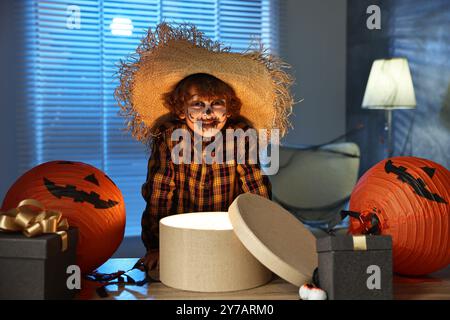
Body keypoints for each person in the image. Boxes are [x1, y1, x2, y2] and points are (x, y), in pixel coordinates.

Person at [115, 22, 295, 275]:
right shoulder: (170, 138)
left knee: (230, 278)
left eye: (217, 103)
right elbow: (160, 194)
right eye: (198, 104)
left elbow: (255, 189)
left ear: (229, 108)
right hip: (181, 235)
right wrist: (156, 246)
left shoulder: (239, 135)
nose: (208, 113)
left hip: (228, 235)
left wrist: (263, 238)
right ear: (180, 110)